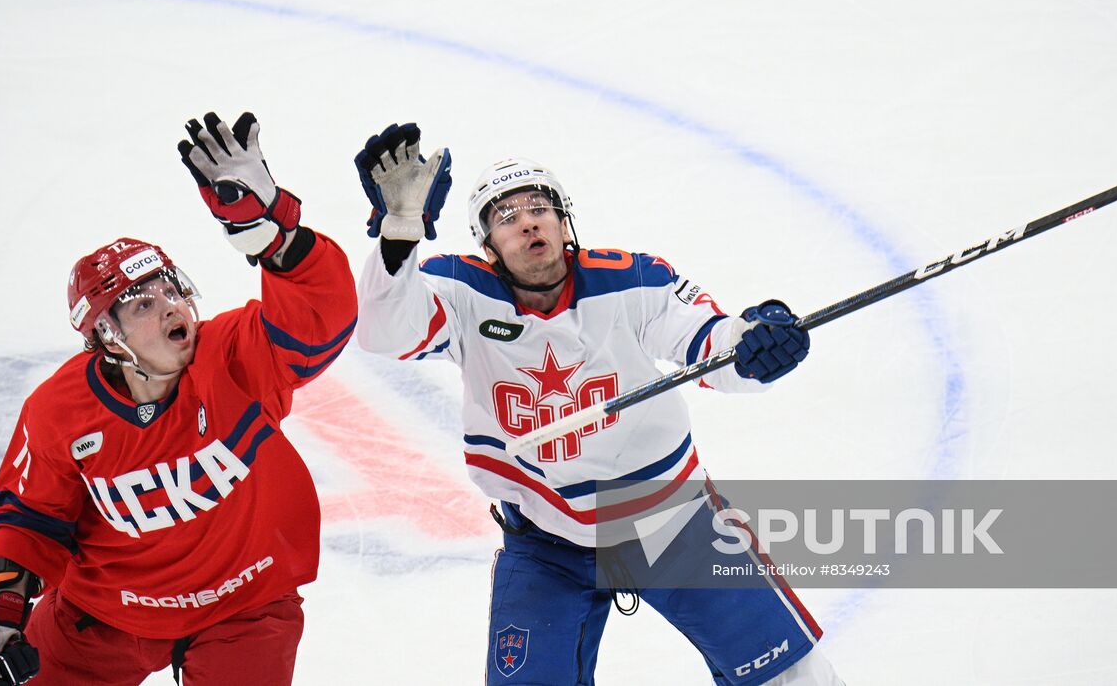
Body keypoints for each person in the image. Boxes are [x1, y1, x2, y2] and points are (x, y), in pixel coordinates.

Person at [352, 123, 845, 685]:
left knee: (789, 676)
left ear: (565, 224)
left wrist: (757, 344)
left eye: (540, 207)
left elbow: (713, 345)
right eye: (505, 217)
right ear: (486, 247)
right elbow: (385, 332)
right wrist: (399, 234)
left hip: (670, 522)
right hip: (544, 543)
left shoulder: (633, 280)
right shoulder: (461, 292)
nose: (528, 221)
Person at [0, 112, 357, 686]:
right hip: (105, 613)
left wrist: (275, 233)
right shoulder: (60, 409)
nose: (170, 307)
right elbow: (30, 518)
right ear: (105, 336)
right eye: (142, 303)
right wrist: (2, 614)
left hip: (244, 603)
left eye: (171, 289)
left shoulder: (233, 356)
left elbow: (321, 321)